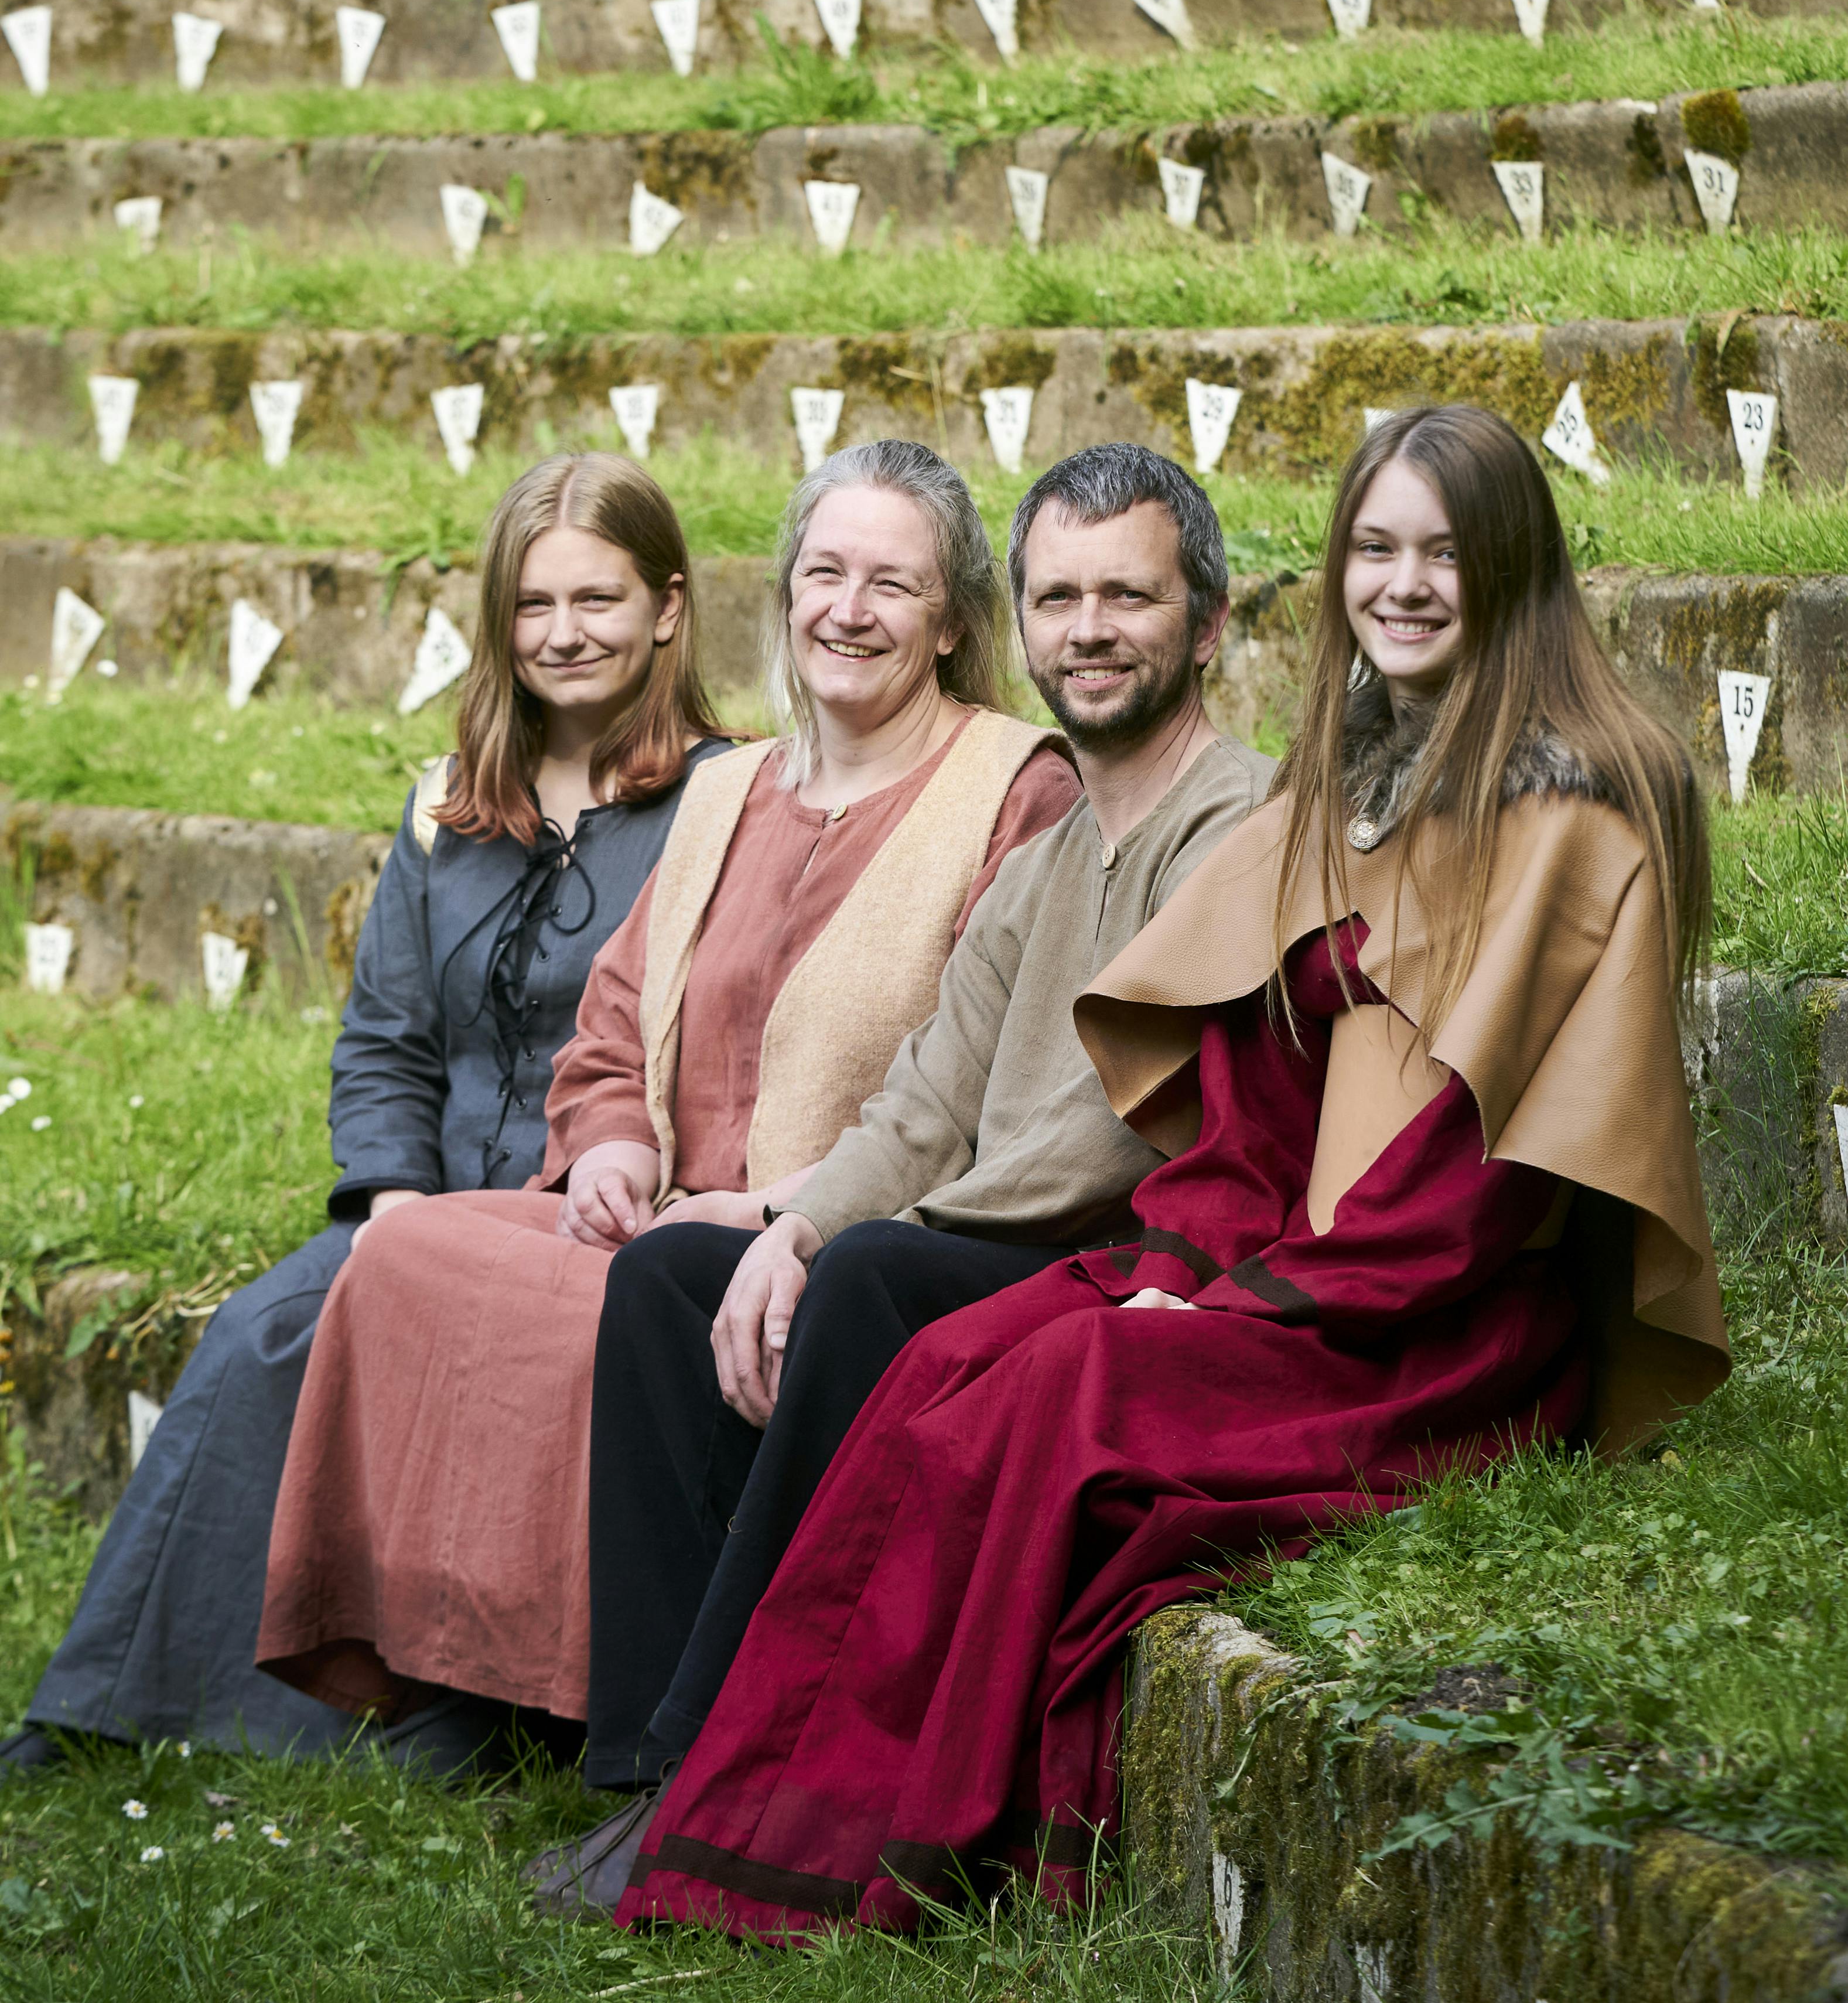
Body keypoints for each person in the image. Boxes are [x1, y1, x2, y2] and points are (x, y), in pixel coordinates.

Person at [600, 402, 1733, 1939]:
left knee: (1060, 1399)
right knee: (952, 1361)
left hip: (1423, 1329)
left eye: (1440, 554)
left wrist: (1232, 1306)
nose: (1400, 585)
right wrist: (1171, 1266)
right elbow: (1246, 1113)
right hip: (1278, 1280)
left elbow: (1469, 1189)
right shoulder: (1347, 797)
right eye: (1373, 550)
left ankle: (871, 1842)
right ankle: (744, 1812)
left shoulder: (1574, 816)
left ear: (1511, 571)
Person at [528, 442, 1276, 1916]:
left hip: (1133, 1262)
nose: (1089, 628)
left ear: (1208, 622)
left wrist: (852, 1241)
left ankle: (721, 1772)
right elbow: (931, 1096)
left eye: (1128, 595)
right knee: (678, 1271)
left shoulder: (1238, 821)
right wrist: (793, 1216)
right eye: (1060, 596)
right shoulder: (1055, 853)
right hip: (991, 1237)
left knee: (874, 1274)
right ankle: (644, 1778)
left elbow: (1117, 1135)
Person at [251, 441, 1080, 1756]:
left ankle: (562, 1692)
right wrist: (609, 1144)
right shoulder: (733, 785)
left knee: (611, 1304)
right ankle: (471, 1667)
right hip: (656, 1209)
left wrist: (793, 1204)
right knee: (405, 1249)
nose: (847, 610)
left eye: (891, 585)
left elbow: (989, 1074)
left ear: (954, 622)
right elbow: (615, 1017)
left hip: (829, 1230)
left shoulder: (1017, 786)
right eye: (823, 573)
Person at [1, 451, 732, 1777]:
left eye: (598, 599)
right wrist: (393, 1203)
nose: (562, 633)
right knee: (266, 1327)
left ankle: (454, 1715)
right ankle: (107, 1703)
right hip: (427, 1208)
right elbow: (386, 1040)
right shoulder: (444, 807)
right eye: (531, 604)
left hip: (601, 1222)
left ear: (669, 608)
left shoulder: (728, 804)